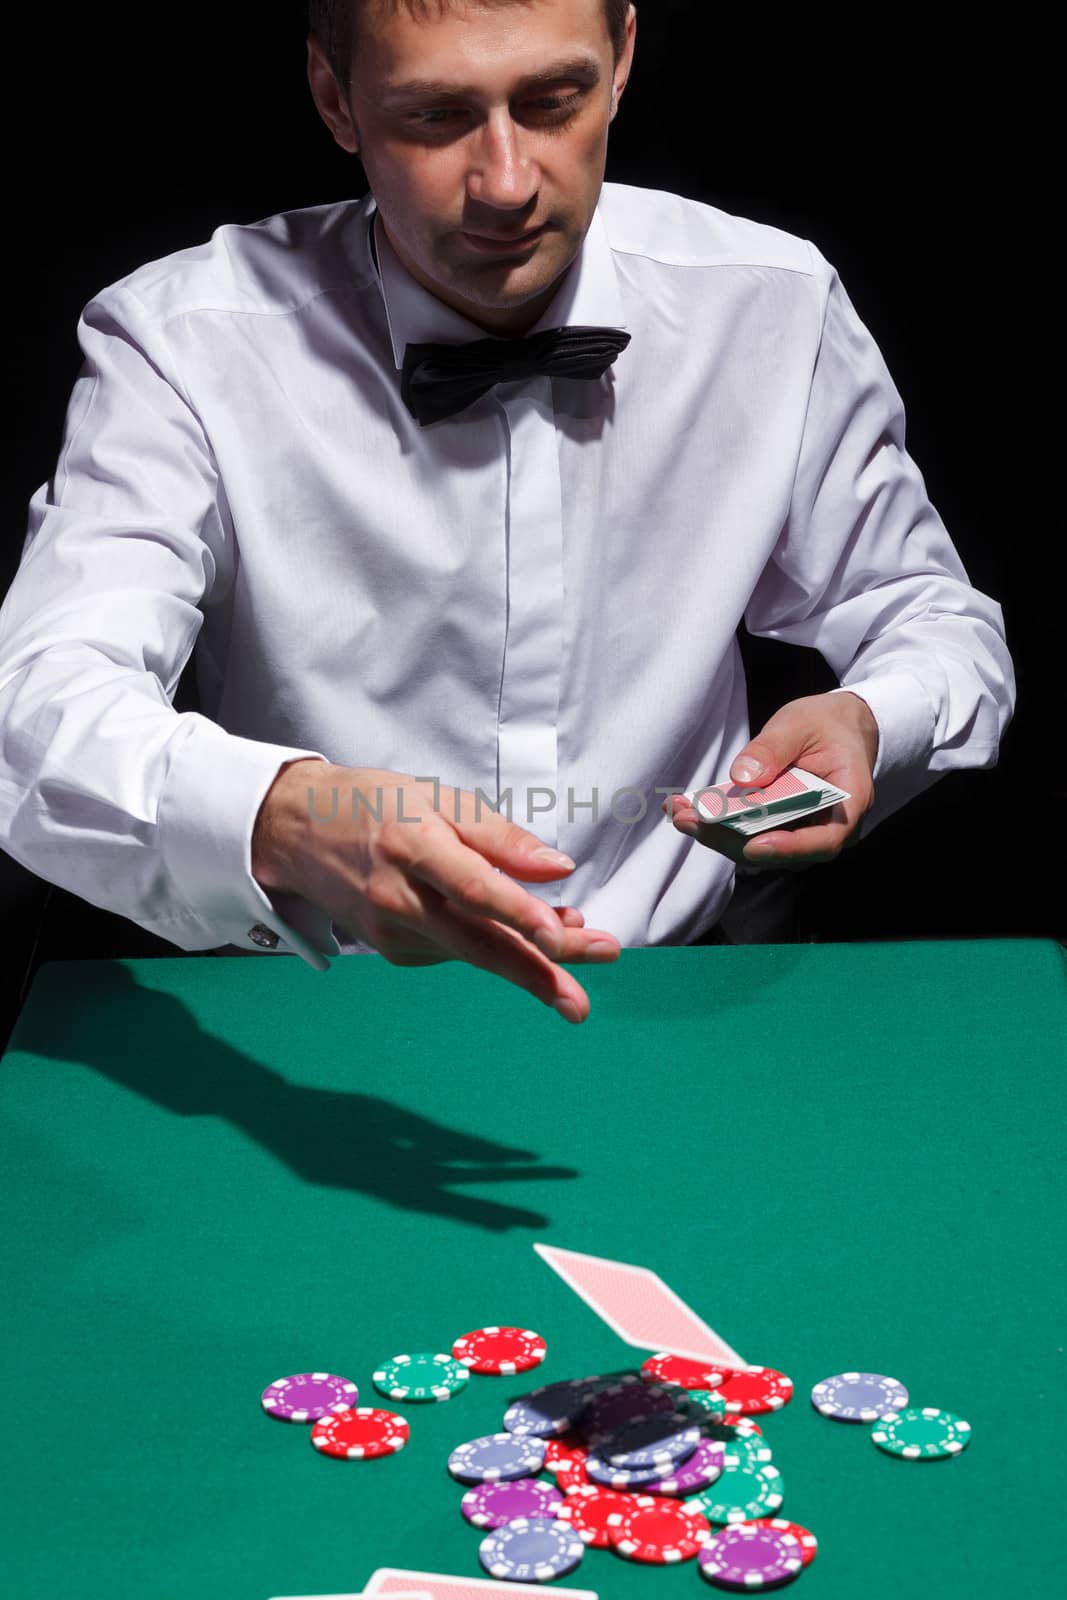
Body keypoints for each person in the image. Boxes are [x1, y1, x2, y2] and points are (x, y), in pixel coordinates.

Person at [0, 0, 1014, 1025]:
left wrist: (869, 722)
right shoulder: (180, 344)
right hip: (309, 1005)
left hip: (687, 998)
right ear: (331, 97)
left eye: (551, 102)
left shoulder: (775, 304)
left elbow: (936, 622)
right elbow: (35, 706)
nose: (505, 183)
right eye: (435, 115)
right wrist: (285, 815)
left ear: (621, 56)